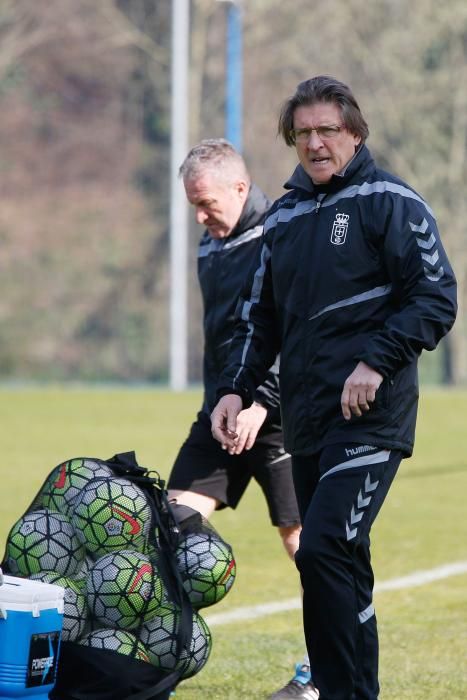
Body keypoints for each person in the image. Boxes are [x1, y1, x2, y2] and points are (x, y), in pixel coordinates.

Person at [210, 76, 457, 700]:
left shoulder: (390, 200)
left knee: (322, 549)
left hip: (372, 418)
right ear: (291, 140)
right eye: (303, 133)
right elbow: (258, 319)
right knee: (338, 568)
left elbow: (435, 296)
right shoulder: (285, 217)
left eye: (328, 130)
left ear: (354, 132)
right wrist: (236, 389)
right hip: (307, 420)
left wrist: (376, 360)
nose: (316, 143)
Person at [166, 139, 318, 700]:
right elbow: (221, 342)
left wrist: (262, 402)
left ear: (240, 186)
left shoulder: (282, 233)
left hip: (278, 417)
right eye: (193, 208)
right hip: (220, 414)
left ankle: (319, 675)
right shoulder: (211, 245)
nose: (202, 218)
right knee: (171, 522)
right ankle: (157, 661)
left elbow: (291, 330)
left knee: (305, 544)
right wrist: (221, 405)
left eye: (207, 203)